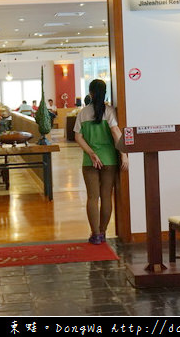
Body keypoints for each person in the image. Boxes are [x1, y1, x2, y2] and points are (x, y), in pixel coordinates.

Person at [73, 79, 128, 245]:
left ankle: (95, 234)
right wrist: (124, 154)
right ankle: (103, 232)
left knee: (92, 197)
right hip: (109, 159)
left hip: (90, 162)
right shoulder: (110, 111)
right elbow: (115, 132)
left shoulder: (82, 113)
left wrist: (91, 153)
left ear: (90, 93)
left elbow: (78, 136)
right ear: (104, 93)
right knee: (106, 197)